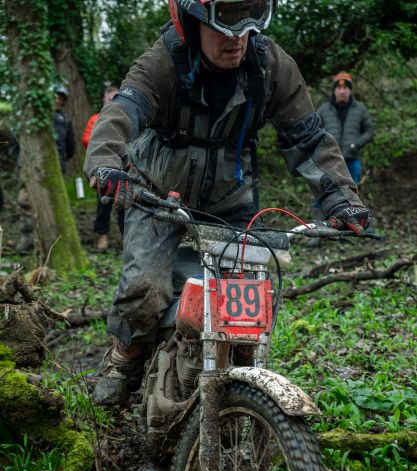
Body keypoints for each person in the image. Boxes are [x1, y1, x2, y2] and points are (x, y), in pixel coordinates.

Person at [84, 0, 372, 406]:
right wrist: (105, 164)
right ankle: (124, 359)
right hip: (156, 196)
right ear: (191, 23)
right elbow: (121, 114)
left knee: (246, 306)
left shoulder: (270, 65)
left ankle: (240, 383)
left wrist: (342, 197)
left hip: (232, 200)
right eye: (225, 22)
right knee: (144, 289)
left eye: (251, 20)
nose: (238, 36)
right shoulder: (162, 62)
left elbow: (308, 139)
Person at [82, 86, 124, 251]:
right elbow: (86, 139)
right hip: (102, 166)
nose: (112, 102)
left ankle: (126, 237)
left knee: (124, 203)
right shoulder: (95, 119)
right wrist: (102, 140)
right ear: (104, 100)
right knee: (103, 203)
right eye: (109, 99)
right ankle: (102, 236)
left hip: (124, 167)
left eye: (116, 99)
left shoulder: (126, 119)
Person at [317, 71, 374, 185]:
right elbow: (315, 132)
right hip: (330, 162)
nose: (342, 91)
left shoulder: (360, 109)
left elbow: (369, 131)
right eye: (339, 88)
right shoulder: (324, 110)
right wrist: (324, 147)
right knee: (328, 193)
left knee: (353, 193)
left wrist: (357, 144)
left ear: (350, 90)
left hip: (352, 160)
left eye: (345, 88)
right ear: (334, 91)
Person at [54, 85, 75, 173]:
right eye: (55, 98)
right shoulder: (43, 117)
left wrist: (65, 156)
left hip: (60, 160)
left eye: (60, 99)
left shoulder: (66, 120)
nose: (57, 101)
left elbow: (70, 143)